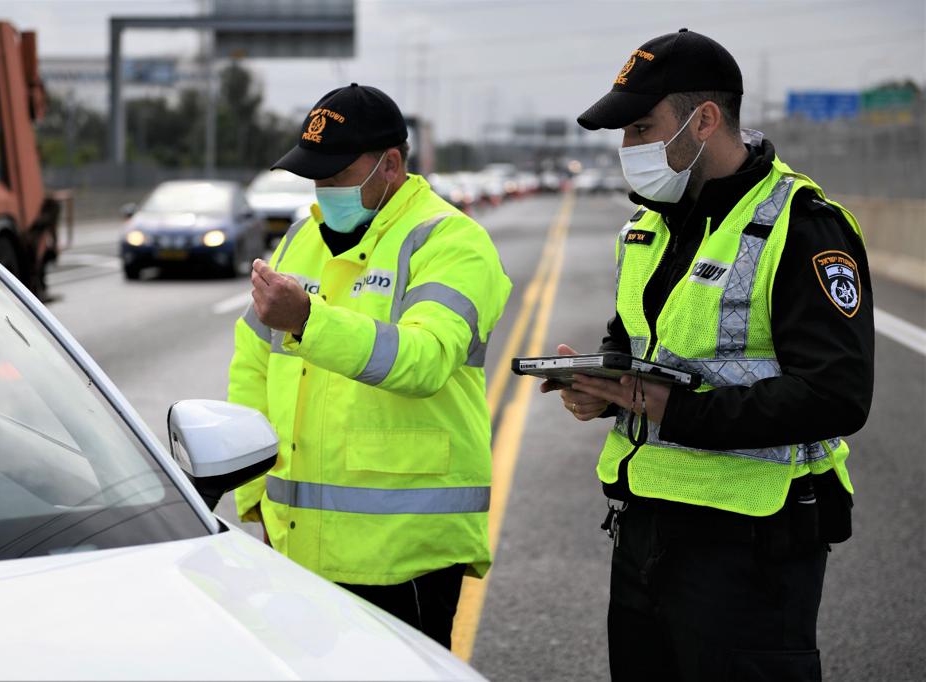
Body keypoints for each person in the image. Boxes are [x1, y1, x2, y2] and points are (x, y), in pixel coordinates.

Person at [546, 29, 874, 680]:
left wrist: (677, 409)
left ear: (704, 120)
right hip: (644, 530)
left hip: (752, 546)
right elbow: (635, 340)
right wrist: (601, 383)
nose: (627, 149)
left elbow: (838, 393)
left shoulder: (802, 225)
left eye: (642, 128)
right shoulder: (648, 224)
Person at [228, 83, 511, 649]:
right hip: (295, 543)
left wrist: (309, 320)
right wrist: (253, 494)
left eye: (335, 171)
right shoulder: (302, 237)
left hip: (403, 553)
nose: (323, 186)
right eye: (314, 173)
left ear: (391, 164)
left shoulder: (451, 241)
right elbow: (253, 363)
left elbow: (424, 359)